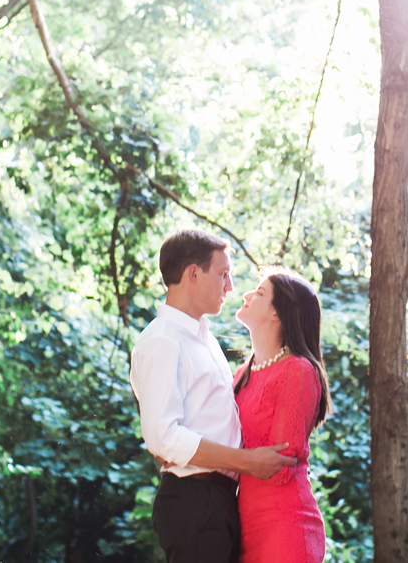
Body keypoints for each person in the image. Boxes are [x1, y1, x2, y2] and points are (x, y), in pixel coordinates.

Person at [130, 229, 298, 563]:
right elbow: (162, 436)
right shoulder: (163, 340)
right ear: (193, 273)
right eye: (223, 274)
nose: (230, 286)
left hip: (218, 499)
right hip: (196, 500)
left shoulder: (202, 337)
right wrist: (248, 462)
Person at [232, 268, 332, 563]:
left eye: (260, 293)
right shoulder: (241, 374)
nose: (247, 295)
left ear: (278, 313)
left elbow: (281, 464)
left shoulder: (298, 370)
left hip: (285, 526)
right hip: (243, 524)